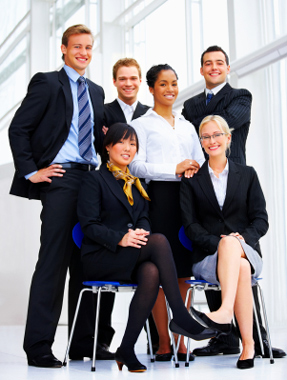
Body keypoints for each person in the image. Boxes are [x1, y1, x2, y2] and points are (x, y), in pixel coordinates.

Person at [8, 24, 113, 368]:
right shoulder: (47, 82)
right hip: (62, 178)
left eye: (88, 47)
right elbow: (18, 128)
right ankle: (38, 347)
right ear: (64, 50)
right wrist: (32, 171)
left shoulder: (96, 91)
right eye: (77, 47)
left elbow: (99, 139)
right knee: (54, 263)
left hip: (91, 180)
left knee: (88, 262)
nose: (83, 52)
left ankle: (84, 343)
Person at [77, 123, 215, 373]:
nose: (128, 148)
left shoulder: (135, 182)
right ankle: (181, 316)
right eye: (122, 142)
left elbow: (143, 218)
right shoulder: (94, 179)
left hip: (127, 255)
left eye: (133, 144)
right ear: (108, 146)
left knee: (151, 271)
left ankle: (126, 349)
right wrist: (121, 238)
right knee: (160, 241)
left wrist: (140, 233)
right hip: (101, 255)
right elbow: (89, 225)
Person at [182, 45, 286, 359]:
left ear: (227, 68)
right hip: (205, 183)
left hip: (234, 181)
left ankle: (251, 337)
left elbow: (216, 124)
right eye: (207, 64)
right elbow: (195, 131)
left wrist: (202, 127)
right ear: (200, 70)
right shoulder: (190, 105)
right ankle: (231, 341)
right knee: (228, 257)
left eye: (219, 63)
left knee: (236, 254)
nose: (213, 67)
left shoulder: (241, 97)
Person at [129, 64, 205, 362]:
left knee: (184, 272)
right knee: (161, 274)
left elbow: (199, 161)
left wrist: (191, 170)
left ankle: (182, 342)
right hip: (158, 199)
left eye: (174, 83)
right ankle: (163, 342)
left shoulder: (187, 125)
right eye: (163, 84)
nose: (170, 89)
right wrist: (172, 169)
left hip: (187, 200)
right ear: (151, 88)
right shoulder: (141, 125)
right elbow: (136, 167)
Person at [180, 115, 269, 369]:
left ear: (228, 138)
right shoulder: (191, 180)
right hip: (208, 258)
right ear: (201, 142)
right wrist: (219, 244)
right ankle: (248, 346)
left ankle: (224, 313)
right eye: (205, 137)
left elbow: (261, 219)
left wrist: (243, 239)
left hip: (246, 252)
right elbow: (191, 226)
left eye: (217, 135)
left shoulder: (248, 174)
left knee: (236, 251)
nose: (211, 140)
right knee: (235, 260)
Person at [103, 58, 149, 132]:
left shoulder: (150, 114)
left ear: (140, 81)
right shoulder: (102, 113)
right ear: (114, 81)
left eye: (133, 78)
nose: (128, 84)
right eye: (122, 79)